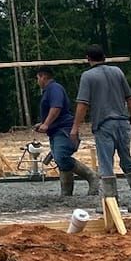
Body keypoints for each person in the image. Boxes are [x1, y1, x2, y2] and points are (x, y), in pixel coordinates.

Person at [70, 45, 131, 212]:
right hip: (122, 123)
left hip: (104, 125)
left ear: (88, 59)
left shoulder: (87, 76)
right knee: (127, 160)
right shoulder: (117, 72)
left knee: (106, 163)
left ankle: (110, 203)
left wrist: (75, 128)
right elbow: (130, 98)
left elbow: (83, 104)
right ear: (104, 57)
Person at [34, 65, 98, 197]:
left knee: (62, 158)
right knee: (60, 160)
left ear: (43, 76)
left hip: (63, 130)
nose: (38, 81)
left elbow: (57, 107)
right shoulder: (50, 90)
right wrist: (43, 123)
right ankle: (66, 194)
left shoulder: (54, 88)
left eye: (38, 78)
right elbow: (58, 111)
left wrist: (46, 124)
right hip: (56, 130)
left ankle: (92, 177)